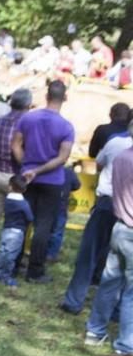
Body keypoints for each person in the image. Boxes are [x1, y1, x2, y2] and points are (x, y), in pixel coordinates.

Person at [61, 117, 132, 314]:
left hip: (107, 202)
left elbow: (99, 163)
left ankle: (74, 300)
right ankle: (116, 310)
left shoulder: (115, 143)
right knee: (124, 262)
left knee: (89, 253)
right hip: (126, 211)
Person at [11, 81, 76, 283]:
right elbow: (62, 158)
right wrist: (38, 170)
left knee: (21, 222)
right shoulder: (66, 126)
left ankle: (13, 263)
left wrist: (27, 167)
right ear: (65, 98)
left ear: (46, 96)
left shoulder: (28, 118)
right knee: (43, 226)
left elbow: (16, 145)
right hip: (52, 180)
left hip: (27, 178)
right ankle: (35, 270)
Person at [83, 145, 133, 354]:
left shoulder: (122, 156)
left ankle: (95, 331)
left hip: (120, 226)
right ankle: (126, 345)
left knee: (110, 282)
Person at [0, 88, 32, 262]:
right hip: (15, 176)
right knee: (15, 220)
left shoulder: (0, 120)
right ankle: (10, 255)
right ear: (27, 104)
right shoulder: (27, 123)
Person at [0, 175, 36, 287]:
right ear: (24, 189)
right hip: (17, 232)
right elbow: (30, 217)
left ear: (10, 186)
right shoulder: (23, 204)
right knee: (11, 255)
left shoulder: (8, 200)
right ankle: (6, 277)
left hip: (6, 229)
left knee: (2, 252)